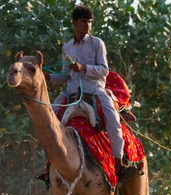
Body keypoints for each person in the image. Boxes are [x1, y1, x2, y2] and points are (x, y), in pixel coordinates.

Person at [45, 4, 137, 183]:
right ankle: (49, 167)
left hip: (95, 91)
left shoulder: (97, 43)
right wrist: (46, 77)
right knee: (48, 120)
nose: (87, 25)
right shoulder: (67, 47)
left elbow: (104, 70)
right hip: (71, 93)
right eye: (83, 22)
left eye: (89, 22)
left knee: (113, 119)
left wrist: (84, 68)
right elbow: (65, 75)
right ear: (74, 23)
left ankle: (119, 164)